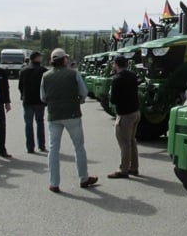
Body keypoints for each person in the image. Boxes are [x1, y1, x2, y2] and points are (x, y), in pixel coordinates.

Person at [40, 48, 97, 193]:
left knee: (53, 149)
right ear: (64, 60)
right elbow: (83, 92)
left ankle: (54, 183)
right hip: (72, 114)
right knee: (79, 147)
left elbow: (42, 97)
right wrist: (80, 99)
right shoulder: (74, 74)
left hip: (54, 115)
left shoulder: (45, 76)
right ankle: (84, 178)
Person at [107, 55, 141, 179]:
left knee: (124, 143)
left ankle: (123, 169)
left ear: (116, 64)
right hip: (136, 112)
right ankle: (134, 167)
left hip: (125, 115)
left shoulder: (116, 79)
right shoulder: (133, 75)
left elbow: (114, 100)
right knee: (132, 141)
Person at [18, 51, 48, 153]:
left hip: (27, 100)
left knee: (28, 124)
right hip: (40, 100)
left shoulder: (23, 71)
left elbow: (20, 86)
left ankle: (30, 147)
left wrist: (23, 95)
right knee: (40, 122)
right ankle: (42, 146)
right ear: (38, 58)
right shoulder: (44, 71)